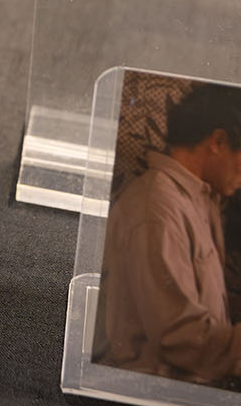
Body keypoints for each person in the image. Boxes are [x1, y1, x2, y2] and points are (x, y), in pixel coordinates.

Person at [95, 83, 241, 382]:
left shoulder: (202, 200)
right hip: (159, 388)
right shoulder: (157, 211)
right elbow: (179, 337)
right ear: (217, 141)